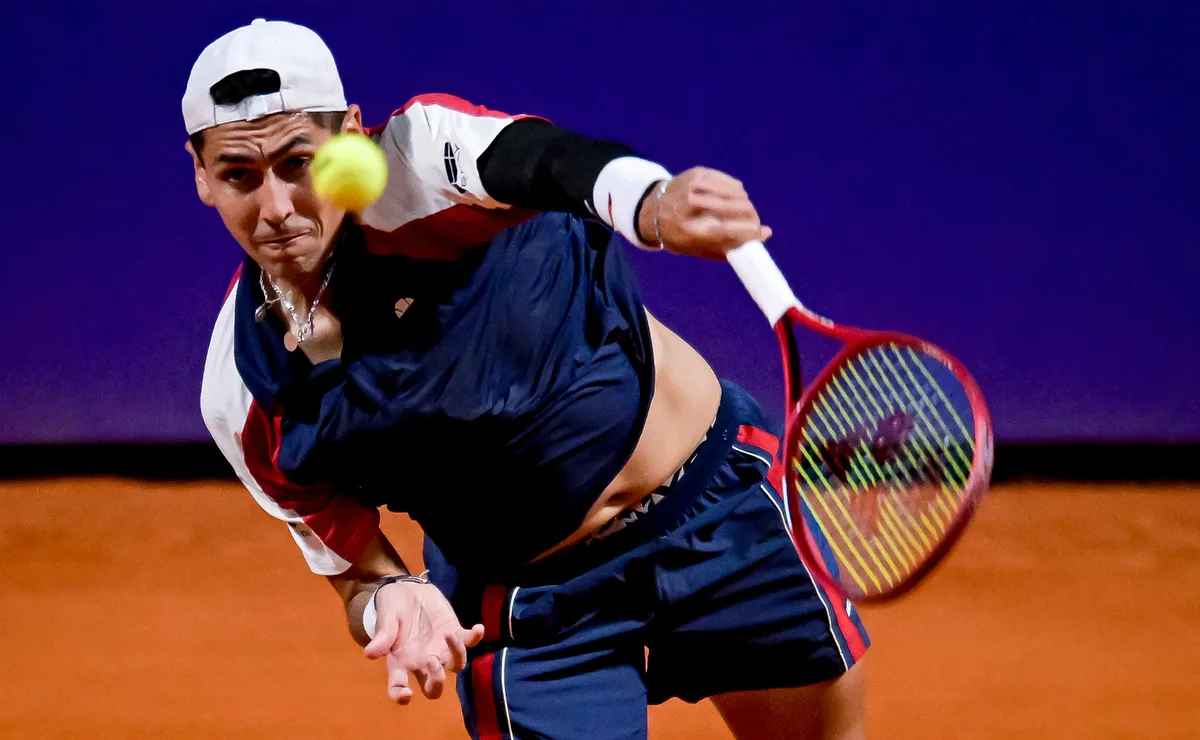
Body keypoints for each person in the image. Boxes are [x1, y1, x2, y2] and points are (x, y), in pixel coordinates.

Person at [187, 18, 870, 740]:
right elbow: (351, 565)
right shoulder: (242, 388)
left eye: (299, 163)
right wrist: (389, 596)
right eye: (239, 175)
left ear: (351, 137)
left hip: (717, 516)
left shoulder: (420, 162)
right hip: (531, 609)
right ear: (201, 175)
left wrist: (651, 204)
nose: (276, 209)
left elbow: (550, 162)